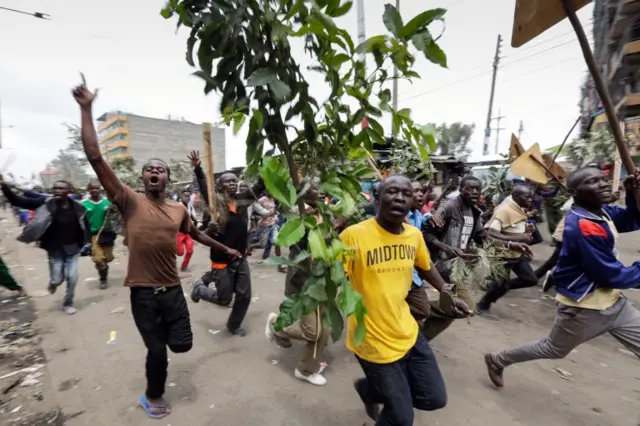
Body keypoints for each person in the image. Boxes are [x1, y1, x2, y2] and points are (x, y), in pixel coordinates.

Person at [72, 75, 241, 419]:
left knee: (182, 344)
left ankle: (158, 346)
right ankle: (153, 394)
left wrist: (227, 249)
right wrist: (87, 109)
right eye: (149, 169)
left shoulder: (178, 209)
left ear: (166, 178)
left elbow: (194, 234)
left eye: (160, 170)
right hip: (144, 294)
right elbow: (95, 156)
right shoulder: (128, 200)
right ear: (142, 178)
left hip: (174, 292)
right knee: (158, 352)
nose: (154, 172)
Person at [484, 167, 640, 389]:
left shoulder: (600, 212)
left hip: (615, 303)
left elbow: (632, 219)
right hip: (584, 308)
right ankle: (498, 360)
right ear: (575, 192)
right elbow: (610, 274)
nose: (603, 184)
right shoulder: (584, 225)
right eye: (593, 181)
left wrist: (633, 194)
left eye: (604, 179)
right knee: (552, 349)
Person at [340, 175, 469, 426]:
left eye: (406, 193)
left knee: (434, 398)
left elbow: (425, 265)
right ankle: (380, 394)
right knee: (401, 418)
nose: (399, 197)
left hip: (407, 332)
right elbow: (328, 274)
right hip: (372, 339)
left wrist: (447, 292)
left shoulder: (413, 236)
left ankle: (370, 390)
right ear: (378, 198)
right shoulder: (353, 236)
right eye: (391, 192)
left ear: (413, 202)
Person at [422, 176, 531, 340]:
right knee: (467, 307)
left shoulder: (474, 213)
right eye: (469, 188)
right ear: (461, 189)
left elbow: (484, 238)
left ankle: (420, 340)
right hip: (442, 265)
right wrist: (446, 248)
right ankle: (416, 308)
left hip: (459, 266)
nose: (474, 192)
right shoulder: (449, 207)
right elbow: (427, 235)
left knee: (452, 312)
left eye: (477, 189)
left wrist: (509, 245)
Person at [264, 177, 332, 386]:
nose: (320, 190)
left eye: (321, 186)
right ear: (302, 192)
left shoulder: (325, 211)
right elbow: (296, 235)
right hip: (303, 280)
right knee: (313, 331)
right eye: (314, 188)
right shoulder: (295, 212)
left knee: (325, 329)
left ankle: (305, 369)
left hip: (323, 279)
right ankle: (277, 324)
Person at [188, 151, 263, 337]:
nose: (231, 183)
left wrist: (267, 168)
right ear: (220, 186)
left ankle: (233, 324)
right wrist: (198, 169)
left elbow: (259, 187)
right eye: (227, 181)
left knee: (244, 295)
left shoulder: (242, 200)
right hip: (222, 259)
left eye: (233, 180)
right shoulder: (215, 205)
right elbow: (205, 188)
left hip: (240, 257)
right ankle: (200, 289)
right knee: (224, 299)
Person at [0, 177, 90, 314]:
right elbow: (18, 201)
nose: (57, 191)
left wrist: (88, 243)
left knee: (72, 277)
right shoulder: (45, 203)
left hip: (72, 248)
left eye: (61, 188)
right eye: (55, 188)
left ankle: (68, 303)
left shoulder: (78, 207)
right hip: (54, 249)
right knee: (58, 278)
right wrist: (4, 187)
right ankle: (54, 282)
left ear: (69, 191)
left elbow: (85, 226)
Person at [475, 184, 537, 319]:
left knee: (530, 279)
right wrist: (515, 239)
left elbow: (514, 228)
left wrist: (527, 231)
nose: (530, 200)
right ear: (516, 197)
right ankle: (482, 305)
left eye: (531, 197)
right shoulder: (504, 210)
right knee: (501, 285)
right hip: (503, 254)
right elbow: (490, 232)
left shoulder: (520, 209)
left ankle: (498, 286)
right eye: (527, 197)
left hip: (517, 254)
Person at [81, 182, 116, 289]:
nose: (94, 190)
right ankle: (103, 279)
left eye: (96, 188)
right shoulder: (83, 204)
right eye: (92, 188)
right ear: (88, 189)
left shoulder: (108, 202)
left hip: (107, 234)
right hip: (93, 235)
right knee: (99, 260)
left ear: (100, 189)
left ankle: (104, 270)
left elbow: (116, 216)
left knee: (108, 258)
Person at [176, 189, 197, 272]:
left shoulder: (190, 205)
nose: (187, 198)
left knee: (190, 250)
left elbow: (191, 215)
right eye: (185, 196)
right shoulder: (177, 206)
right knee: (180, 252)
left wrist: (197, 221)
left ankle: (184, 266)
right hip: (179, 233)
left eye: (188, 196)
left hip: (187, 232)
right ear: (181, 197)